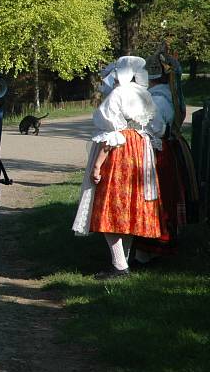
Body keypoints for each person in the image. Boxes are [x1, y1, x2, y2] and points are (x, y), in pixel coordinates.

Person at [72, 56, 165, 280]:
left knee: (111, 206)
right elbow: (157, 127)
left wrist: (96, 166)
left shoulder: (118, 94)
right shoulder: (144, 93)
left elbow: (111, 135)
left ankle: (120, 266)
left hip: (121, 152)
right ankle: (122, 261)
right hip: (141, 150)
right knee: (130, 207)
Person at [134, 47, 196, 262]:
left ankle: (149, 251)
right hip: (168, 148)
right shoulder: (166, 95)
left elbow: (154, 128)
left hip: (158, 152)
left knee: (156, 197)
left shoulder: (158, 99)